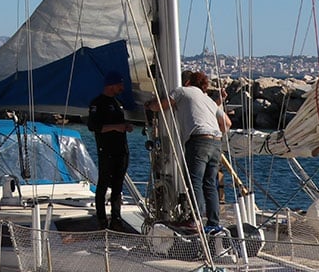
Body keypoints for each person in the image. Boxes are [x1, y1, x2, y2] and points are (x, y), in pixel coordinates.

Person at [152, 71, 231, 231]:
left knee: (194, 181)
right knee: (209, 184)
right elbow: (227, 123)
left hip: (198, 140)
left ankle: (195, 219)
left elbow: (160, 106)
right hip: (216, 141)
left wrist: (148, 105)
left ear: (187, 82)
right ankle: (213, 223)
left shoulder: (181, 91)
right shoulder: (209, 101)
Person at [87, 71, 133, 230]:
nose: (122, 87)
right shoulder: (97, 103)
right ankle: (101, 218)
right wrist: (116, 127)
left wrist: (126, 126)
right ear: (111, 85)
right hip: (106, 150)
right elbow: (93, 127)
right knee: (103, 184)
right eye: (120, 84)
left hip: (121, 150)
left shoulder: (118, 103)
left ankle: (116, 218)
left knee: (118, 185)